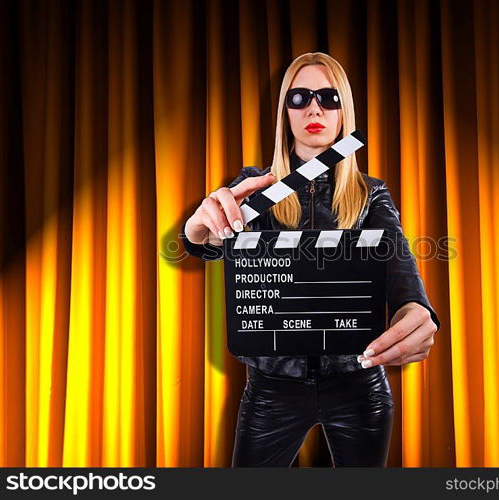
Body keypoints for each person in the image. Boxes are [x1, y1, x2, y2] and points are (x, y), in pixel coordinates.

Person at [181, 52, 439, 467]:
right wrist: (198, 230)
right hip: (271, 388)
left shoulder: (371, 194)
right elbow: (210, 240)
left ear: (344, 113)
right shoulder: (254, 188)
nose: (314, 108)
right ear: (285, 111)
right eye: (299, 97)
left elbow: (399, 262)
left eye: (328, 97)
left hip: (359, 386)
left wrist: (417, 308)